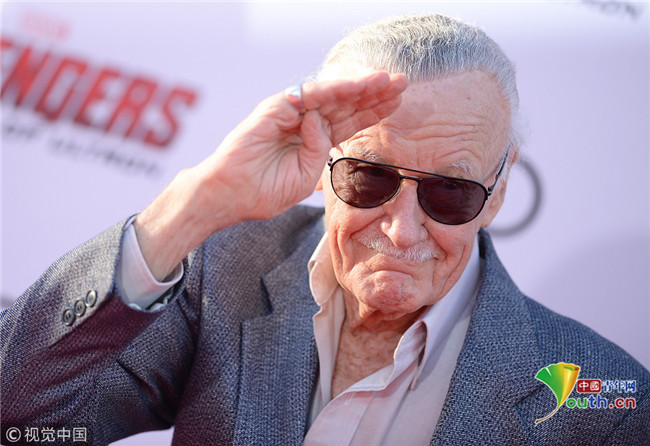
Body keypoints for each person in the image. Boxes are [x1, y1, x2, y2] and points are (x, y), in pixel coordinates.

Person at [1, 13, 648, 446]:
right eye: (369, 177)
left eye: (449, 193)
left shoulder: (604, 395)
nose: (402, 231)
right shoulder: (222, 270)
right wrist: (188, 210)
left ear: (499, 191)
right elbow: (22, 420)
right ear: (321, 163)